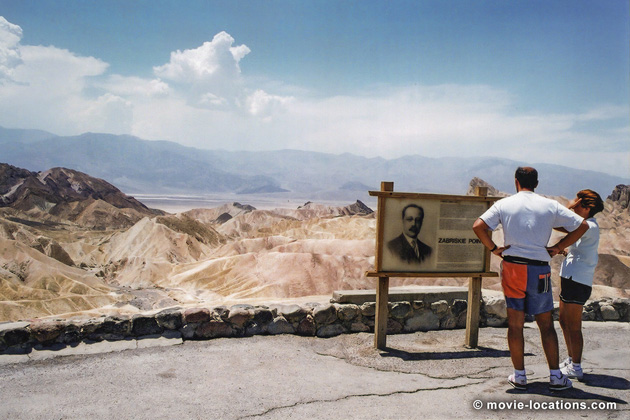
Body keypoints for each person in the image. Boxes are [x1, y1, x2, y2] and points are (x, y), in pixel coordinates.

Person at [472, 167, 589, 391]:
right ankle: (555, 376)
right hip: (539, 270)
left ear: (516, 182)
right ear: (536, 183)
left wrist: (494, 248)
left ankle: (520, 376)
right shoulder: (549, 204)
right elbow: (582, 225)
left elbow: (478, 226)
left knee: (515, 325)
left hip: (513, 268)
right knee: (545, 324)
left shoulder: (504, 204)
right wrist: (559, 247)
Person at [554, 190, 604, 381]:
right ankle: (570, 358)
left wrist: (570, 207)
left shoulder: (588, 226)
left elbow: (561, 228)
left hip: (578, 280)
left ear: (587, 207)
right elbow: (563, 228)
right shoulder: (583, 225)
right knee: (564, 321)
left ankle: (576, 366)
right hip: (570, 277)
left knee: (574, 325)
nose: (574, 205)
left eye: (578, 203)